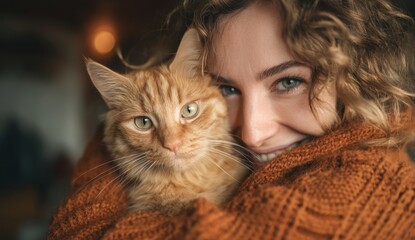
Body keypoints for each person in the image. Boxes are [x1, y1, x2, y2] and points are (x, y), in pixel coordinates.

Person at [48, 0, 415, 239]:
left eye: (288, 82)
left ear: (356, 73)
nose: (252, 134)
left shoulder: (375, 192)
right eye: (226, 88)